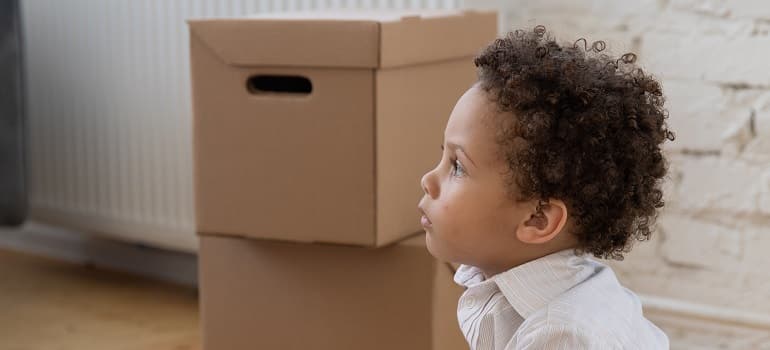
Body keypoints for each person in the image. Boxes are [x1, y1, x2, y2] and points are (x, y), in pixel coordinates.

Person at [417, 25, 674, 349]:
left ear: (538, 219)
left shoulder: (562, 336)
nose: (427, 180)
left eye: (458, 166)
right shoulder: (533, 288)